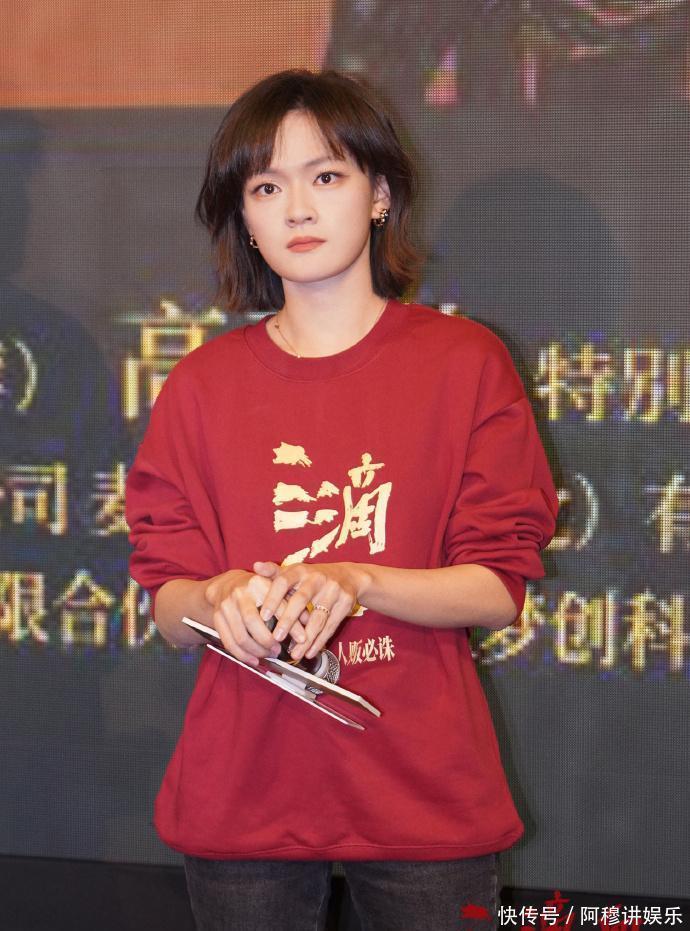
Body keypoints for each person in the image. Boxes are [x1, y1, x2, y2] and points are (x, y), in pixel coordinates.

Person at [125, 68, 559, 931]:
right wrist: (217, 598)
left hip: (423, 790)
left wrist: (356, 579)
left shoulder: (465, 362)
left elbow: (496, 586)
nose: (297, 209)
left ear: (379, 194)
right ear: (244, 219)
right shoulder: (201, 386)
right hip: (245, 793)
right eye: (266, 187)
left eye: (325, 176)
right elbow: (169, 605)